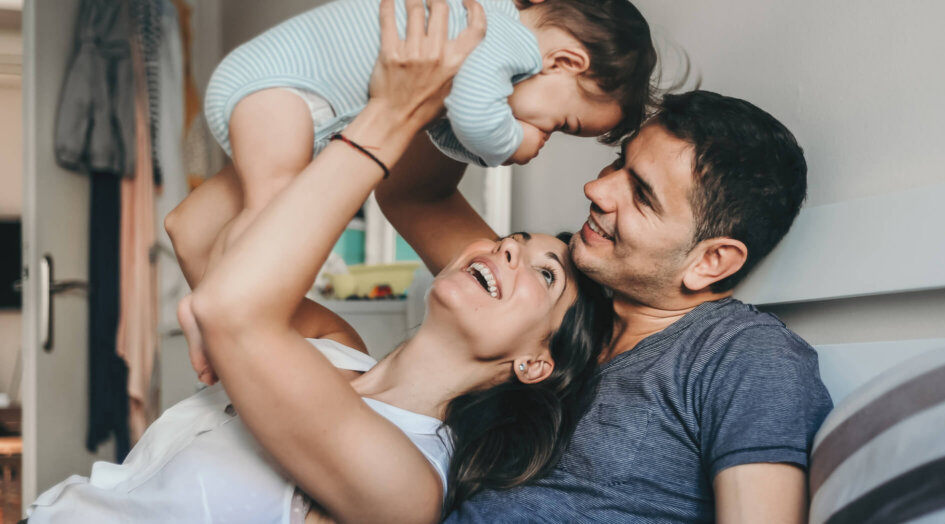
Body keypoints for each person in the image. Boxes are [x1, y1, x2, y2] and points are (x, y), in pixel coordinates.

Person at [27, 2, 610, 522]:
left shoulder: (408, 485)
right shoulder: (331, 341)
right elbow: (193, 230)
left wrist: (392, 113)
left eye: (544, 273)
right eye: (514, 239)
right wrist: (319, 97)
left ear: (535, 363)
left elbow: (230, 310)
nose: (507, 247)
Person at [376, 90, 835, 521]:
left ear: (710, 261)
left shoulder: (745, 356)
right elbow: (414, 195)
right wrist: (489, 84)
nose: (597, 190)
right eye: (618, 162)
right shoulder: (555, 301)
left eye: (641, 194)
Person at [182, 0, 655, 383]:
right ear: (565, 61)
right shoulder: (500, 36)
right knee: (272, 208)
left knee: (269, 208)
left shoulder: (485, 38)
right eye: (563, 124)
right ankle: (211, 299)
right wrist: (511, 143)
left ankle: (213, 295)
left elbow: (443, 130)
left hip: (287, 97)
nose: (546, 132)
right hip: (284, 92)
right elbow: (471, 118)